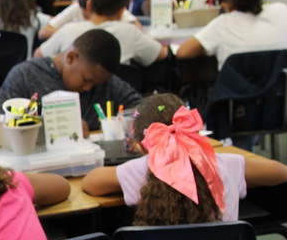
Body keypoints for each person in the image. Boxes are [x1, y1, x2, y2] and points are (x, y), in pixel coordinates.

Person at [81, 93, 287, 223]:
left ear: (141, 145)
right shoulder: (224, 163)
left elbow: (91, 182)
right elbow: (280, 172)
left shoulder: (139, 169)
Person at [0, 29, 142, 133]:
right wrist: (53, 126)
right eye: (86, 80)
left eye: (96, 84)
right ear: (71, 57)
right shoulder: (25, 75)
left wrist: (122, 122)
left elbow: (146, 108)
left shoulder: (105, 83)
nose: (89, 88)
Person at [36, 0, 168, 66]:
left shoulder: (68, 30)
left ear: (89, 5)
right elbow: (161, 54)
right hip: (119, 102)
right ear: (122, 11)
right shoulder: (130, 32)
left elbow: (38, 55)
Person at [175, 0, 287, 69]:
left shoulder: (223, 23)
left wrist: (208, 49)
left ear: (229, 4)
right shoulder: (281, 11)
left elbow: (182, 52)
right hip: (278, 91)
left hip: (235, 92)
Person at [39, 0, 139, 41]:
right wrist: (72, 37)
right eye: (85, 15)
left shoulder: (113, 9)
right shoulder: (76, 8)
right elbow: (43, 32)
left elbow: (138, 27)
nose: (88, 19)